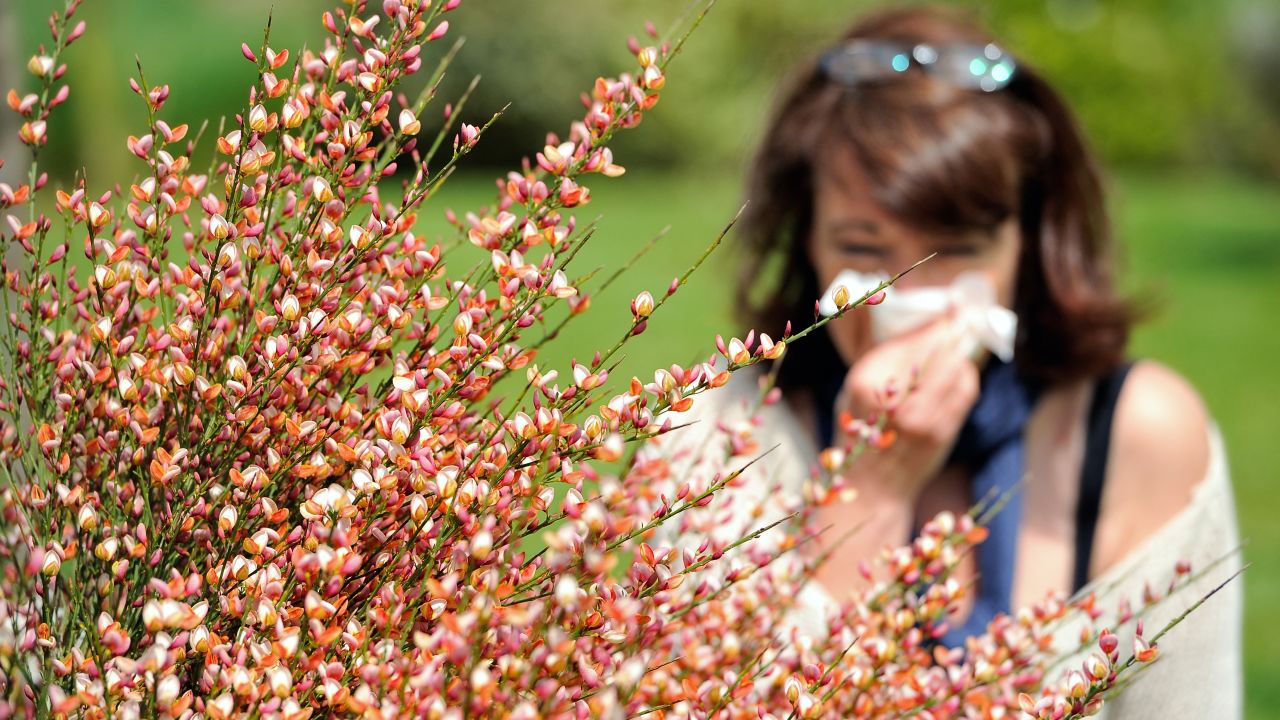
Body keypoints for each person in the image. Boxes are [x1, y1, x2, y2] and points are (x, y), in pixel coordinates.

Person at [653, 5, 1242, 717]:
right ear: (805, 242)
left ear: (1027, 244)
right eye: (865, 251)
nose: (911, 297)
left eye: (958, 251)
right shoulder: (719, 436)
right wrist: (869, 488)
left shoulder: (1137, 437)